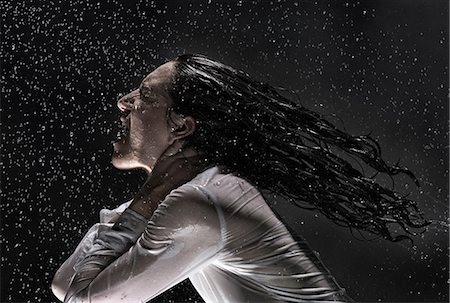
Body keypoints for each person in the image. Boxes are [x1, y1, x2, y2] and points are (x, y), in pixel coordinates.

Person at [51, 54, 429, 302]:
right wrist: (146, 202)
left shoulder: (198, 203)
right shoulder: (194, 194)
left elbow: (79, 296)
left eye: (145, 96)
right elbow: (64, 286)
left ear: (181, 126)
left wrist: (147, 200)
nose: (124, 101)